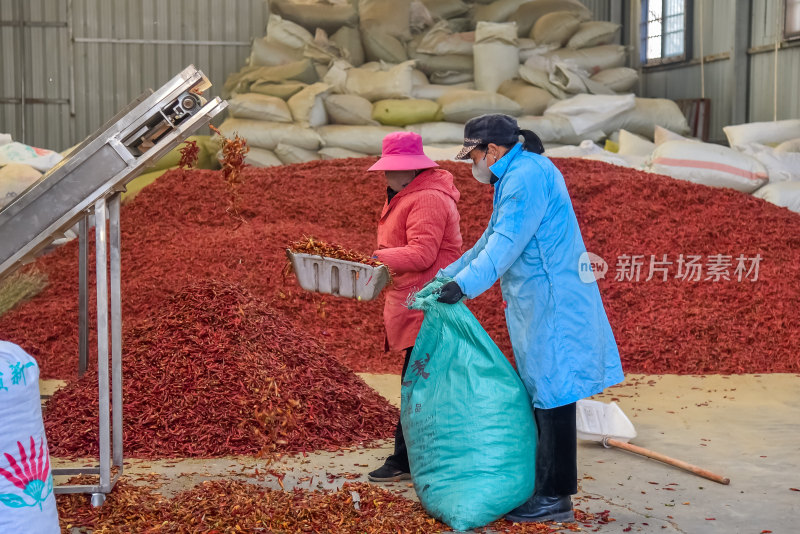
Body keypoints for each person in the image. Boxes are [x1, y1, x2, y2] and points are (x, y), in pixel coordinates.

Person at [436, 114, 624, 523]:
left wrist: (463, 287)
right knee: (546, 389)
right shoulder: (516, 174)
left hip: (552, 300)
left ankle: (555, 496)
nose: (473, 167)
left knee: (555, 393)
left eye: (474, 158)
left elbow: (505, 245)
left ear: (494, 151)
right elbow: (489, 239)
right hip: (537, 299)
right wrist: (447, 277)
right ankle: (543, 487)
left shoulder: (525, 178)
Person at [365, 131, 463, 482]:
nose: (385, 176)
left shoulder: (427, 200)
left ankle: (405, 460)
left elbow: (422, 253)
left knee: (418, 383)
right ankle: (415, 456)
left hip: (427, 306)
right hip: (412, 299)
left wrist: (374, 259)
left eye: (391, 170)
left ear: (410, 169)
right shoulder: (404, 194)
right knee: (422, 382)